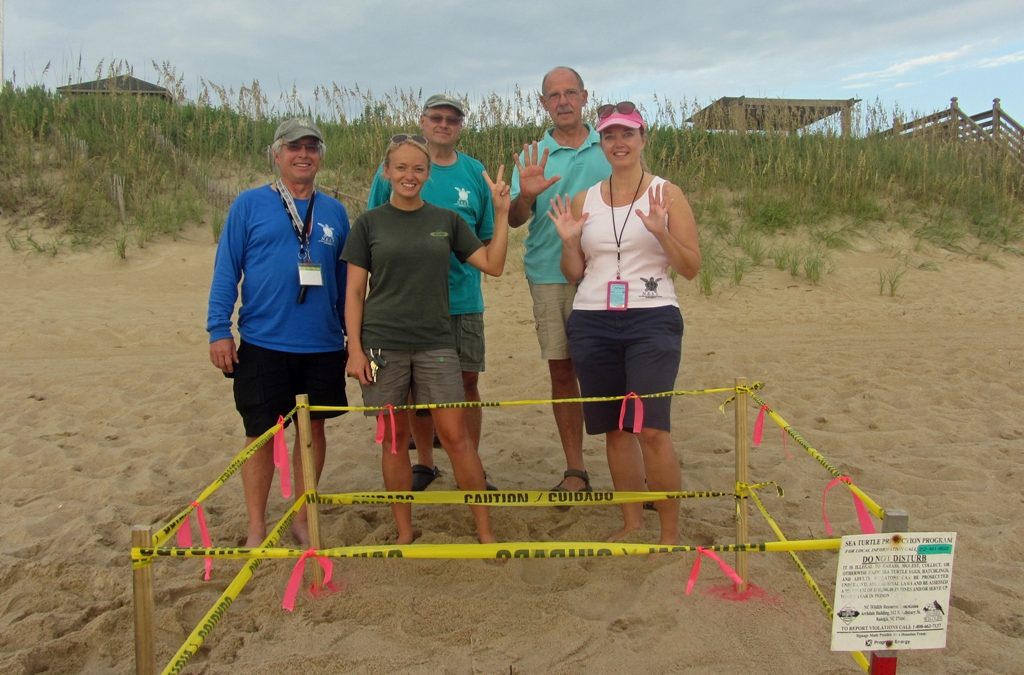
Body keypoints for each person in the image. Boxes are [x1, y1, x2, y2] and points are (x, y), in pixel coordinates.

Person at [342, 134, 510, 545]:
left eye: (417, 168)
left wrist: (502, 213)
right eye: (400, 167)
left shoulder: (446, 220)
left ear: (427, 173)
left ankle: (484, 532)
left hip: (436, 341)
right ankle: (404, 532)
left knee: (456, 437)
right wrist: (355, 350)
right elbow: (353, 292)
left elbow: (493, 265)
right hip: (382, 343)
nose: (409, 175)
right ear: (387, 172)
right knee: (395, 440)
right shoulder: (369, 224)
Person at [548, 102, 701, 545]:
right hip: (593, 319)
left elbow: (691, 267)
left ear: (642, 138)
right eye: (610, 136)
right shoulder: (586, 198)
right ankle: (632, 523)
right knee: (615, 428)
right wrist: (569, 241)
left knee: (651, 428)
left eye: (627, 134)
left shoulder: (667, 194)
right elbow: (573, 272)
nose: (619, 143)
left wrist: (660, 231)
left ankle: (668, 532)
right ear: (601, 142)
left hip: (652, 317)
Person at [207, 118, 350, 547]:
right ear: (277, 153)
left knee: (313, 431)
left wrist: (353, 340)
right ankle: (255, 527)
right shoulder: (249, 205)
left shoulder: (335, 212)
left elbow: (346, 284)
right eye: (293, 147)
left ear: (321, 155)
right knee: (261, 434)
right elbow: (226, 270)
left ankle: (303, 519)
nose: (302, 154)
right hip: (263, 341)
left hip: (323, 343)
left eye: (311, 146)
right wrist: (219, 328)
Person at [367, 94, 495, 491]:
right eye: (436, 117)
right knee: (413, 392)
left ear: (460, 126)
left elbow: (486, 239)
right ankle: (424, 461)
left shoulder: (474, 172)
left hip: (462, 299)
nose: (444, 124)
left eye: (452, 119)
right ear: (422, 122)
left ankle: (468, 463)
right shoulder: (393, 169)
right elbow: (375, 230)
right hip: (408, 305)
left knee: (467, 384)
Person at [509, 66, 611, 496]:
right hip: (550, 274)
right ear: (543, 103)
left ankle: (630, 467)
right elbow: (514, 219)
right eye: (554, 95)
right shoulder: (535, 154)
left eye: (571, 92)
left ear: (585, 97)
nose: (564, 101)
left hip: (609, 272)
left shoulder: (610, 144)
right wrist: (527, 194)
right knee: (563, 371)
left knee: (613, 373)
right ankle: (575, 469)